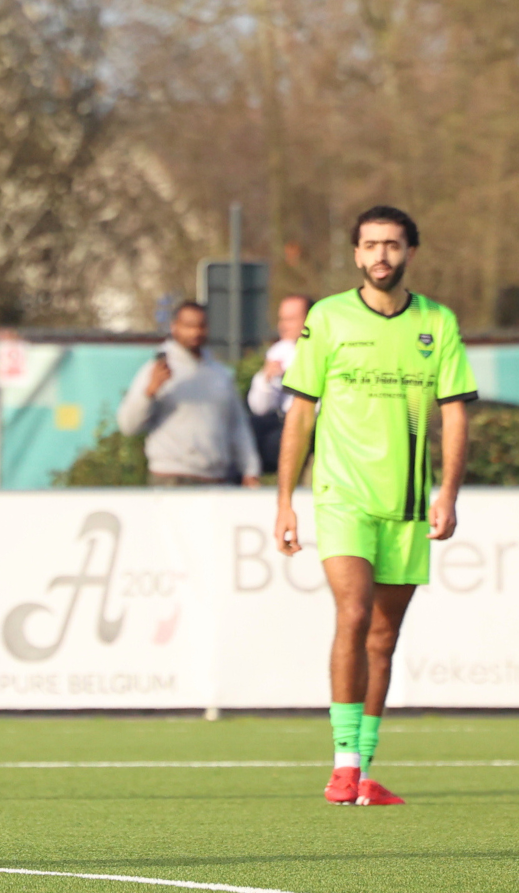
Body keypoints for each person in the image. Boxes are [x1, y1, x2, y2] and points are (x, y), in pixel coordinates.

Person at [276, 206, 476, 807]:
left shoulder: (436, 322)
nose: (381, 254)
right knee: (355, 612)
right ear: (357, 254)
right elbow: (301, 412)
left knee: (384, 639)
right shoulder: (328, 317)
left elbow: (455, 413)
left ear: (410, 251)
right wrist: (285, 501)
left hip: (407, 503)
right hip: (342, 495)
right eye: (370, 245)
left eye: (392, 244)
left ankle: (363, 772)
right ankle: (342, 764)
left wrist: (448, 493)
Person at [117, 301, 261, 486]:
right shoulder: (158, 370)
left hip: (217, 479)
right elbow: (128, 426)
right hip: (171, 477)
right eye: (188, 326)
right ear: (174, 327)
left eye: (201, 326)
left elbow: (238, 426)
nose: (195, 332)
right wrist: (149, 392)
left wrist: (250, 470)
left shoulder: (220, 374)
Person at [247, 295, 314, 469]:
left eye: (290, 320)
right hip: (282, 421)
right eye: (281, 319)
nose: (283, 326)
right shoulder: (279, 350)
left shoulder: (323, 350)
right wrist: (267, 379)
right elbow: (260, 408)